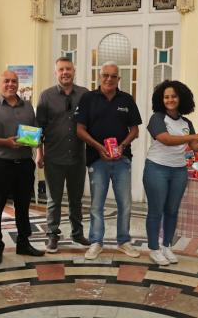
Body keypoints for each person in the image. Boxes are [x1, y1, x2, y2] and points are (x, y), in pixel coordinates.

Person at [76, 61, 142, 260]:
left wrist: (122, 146)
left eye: (114, 76)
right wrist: (99, 147)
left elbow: (135, 130)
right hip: (97, 160)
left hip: (122, 160)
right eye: (106, 75)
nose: (109, 79)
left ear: (118, 79)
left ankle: (123, 241)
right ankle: (96, 242)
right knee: (96, 204)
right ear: (99, 76)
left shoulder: (127, 100)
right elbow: (79, 130)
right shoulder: (88, 98)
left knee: (125, 203)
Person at [144, 80, 198, 265]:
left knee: (172, 210)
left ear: (180, 98)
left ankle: (166, 246)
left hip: (179, 171)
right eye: (166, 97)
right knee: (156, 211)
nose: (170, 99)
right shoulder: (157, 118)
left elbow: (196, 147)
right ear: (161, 99)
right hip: (157, 168)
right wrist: (196, 135)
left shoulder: (186, 122)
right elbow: (165, 139)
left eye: (173, 96)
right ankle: (154, 248)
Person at [0, 70, 45, 266]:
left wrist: (36, 143)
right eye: (6, 81)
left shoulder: (28, 107)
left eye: (14, 81)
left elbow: (35, 133)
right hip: (0, 164)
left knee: (23, 206)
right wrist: (5, 142)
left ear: (18, 84)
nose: (10, 84)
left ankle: (23, 243)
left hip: (24, 164)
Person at [36, 57, 90, 253]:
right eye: (61, 69)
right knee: (54, 200)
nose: (65, 72)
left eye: (68, 69)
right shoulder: (46, 96)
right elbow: (39, 127)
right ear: (55, 72)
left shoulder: (85, 94)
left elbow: (91, 124)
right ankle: (52, 236)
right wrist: (39, 153)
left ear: (74, 71)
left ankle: (77, 233)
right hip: (53, 156)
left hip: (78, 156)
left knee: (76, 199)